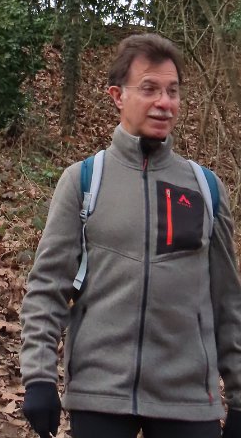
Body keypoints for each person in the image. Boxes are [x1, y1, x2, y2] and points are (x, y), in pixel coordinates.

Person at [20, 33, 241, 438]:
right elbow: (47, 287)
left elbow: (227, 302)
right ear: (117, 96)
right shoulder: (84, 181)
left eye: (172, 91)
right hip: (100, 394)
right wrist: (38, 377)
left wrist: (240, 397)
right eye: (149, 89)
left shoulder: (205, 188)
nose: (164, 102)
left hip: (188, 401)